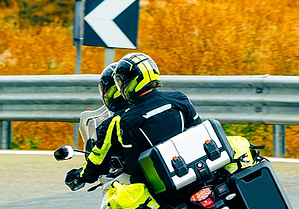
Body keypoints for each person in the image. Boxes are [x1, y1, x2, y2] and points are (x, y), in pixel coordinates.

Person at [111, 52, 202, 185]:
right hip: (198, 169)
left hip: (164, 184)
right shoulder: (179, 98)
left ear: (131, 81)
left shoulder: (128, 120)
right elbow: (198, 130)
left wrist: (136, 184)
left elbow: (133, 164)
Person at [65, 62, 129, 190]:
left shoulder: (113, 124)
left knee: (115, 207)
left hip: (138, 182)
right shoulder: (170, 102)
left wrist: (80, 175)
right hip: (172, 174)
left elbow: (97, 160)